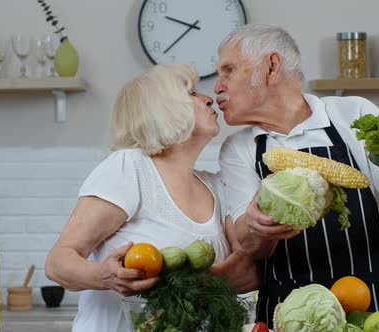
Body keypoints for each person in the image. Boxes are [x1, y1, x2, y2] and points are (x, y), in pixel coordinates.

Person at [213, 24, 379, 328]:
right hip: (294, 316)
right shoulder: (239, 148)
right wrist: (258, 227)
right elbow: (249, 245)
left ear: (271, 67)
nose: (216, 86)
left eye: (228, 70)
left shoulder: (355, 115)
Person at [45, 64, 251, 332]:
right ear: (163, 109)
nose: (208, 98)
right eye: (191, 94)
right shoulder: (130, 168)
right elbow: (58, 262)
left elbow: (248, 269)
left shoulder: (217, 186)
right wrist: (105, 276)